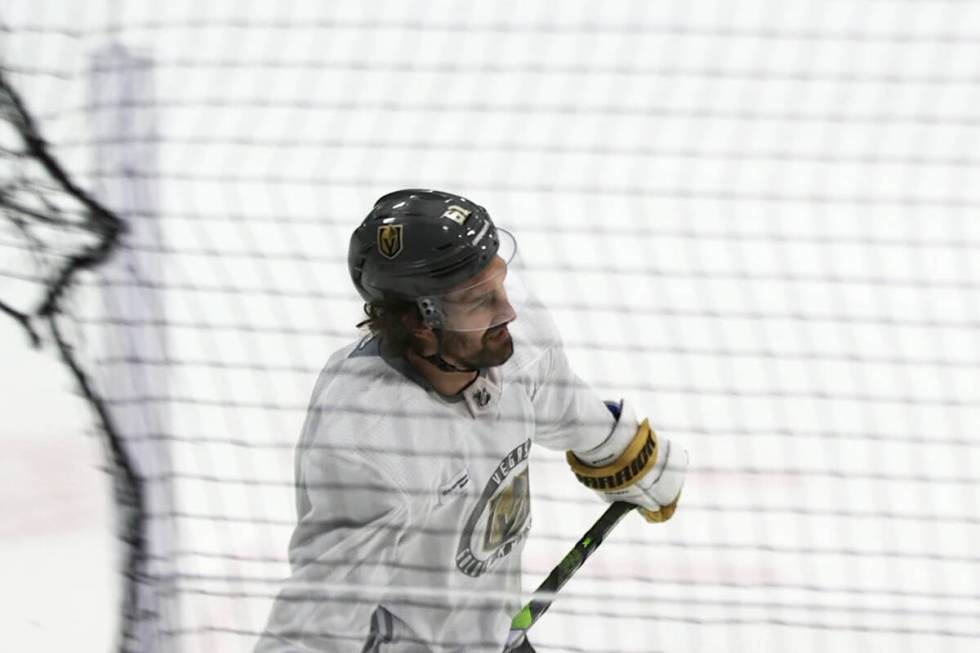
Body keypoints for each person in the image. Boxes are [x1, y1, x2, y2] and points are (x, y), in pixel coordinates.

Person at [255, 189, 687, 653]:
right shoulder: (370, 446)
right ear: (420, 321)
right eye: (480, 300)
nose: (509, 311)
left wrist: (621, 450)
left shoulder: (514, 341)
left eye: (500, 282)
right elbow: (319, 620)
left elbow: (561, 402)